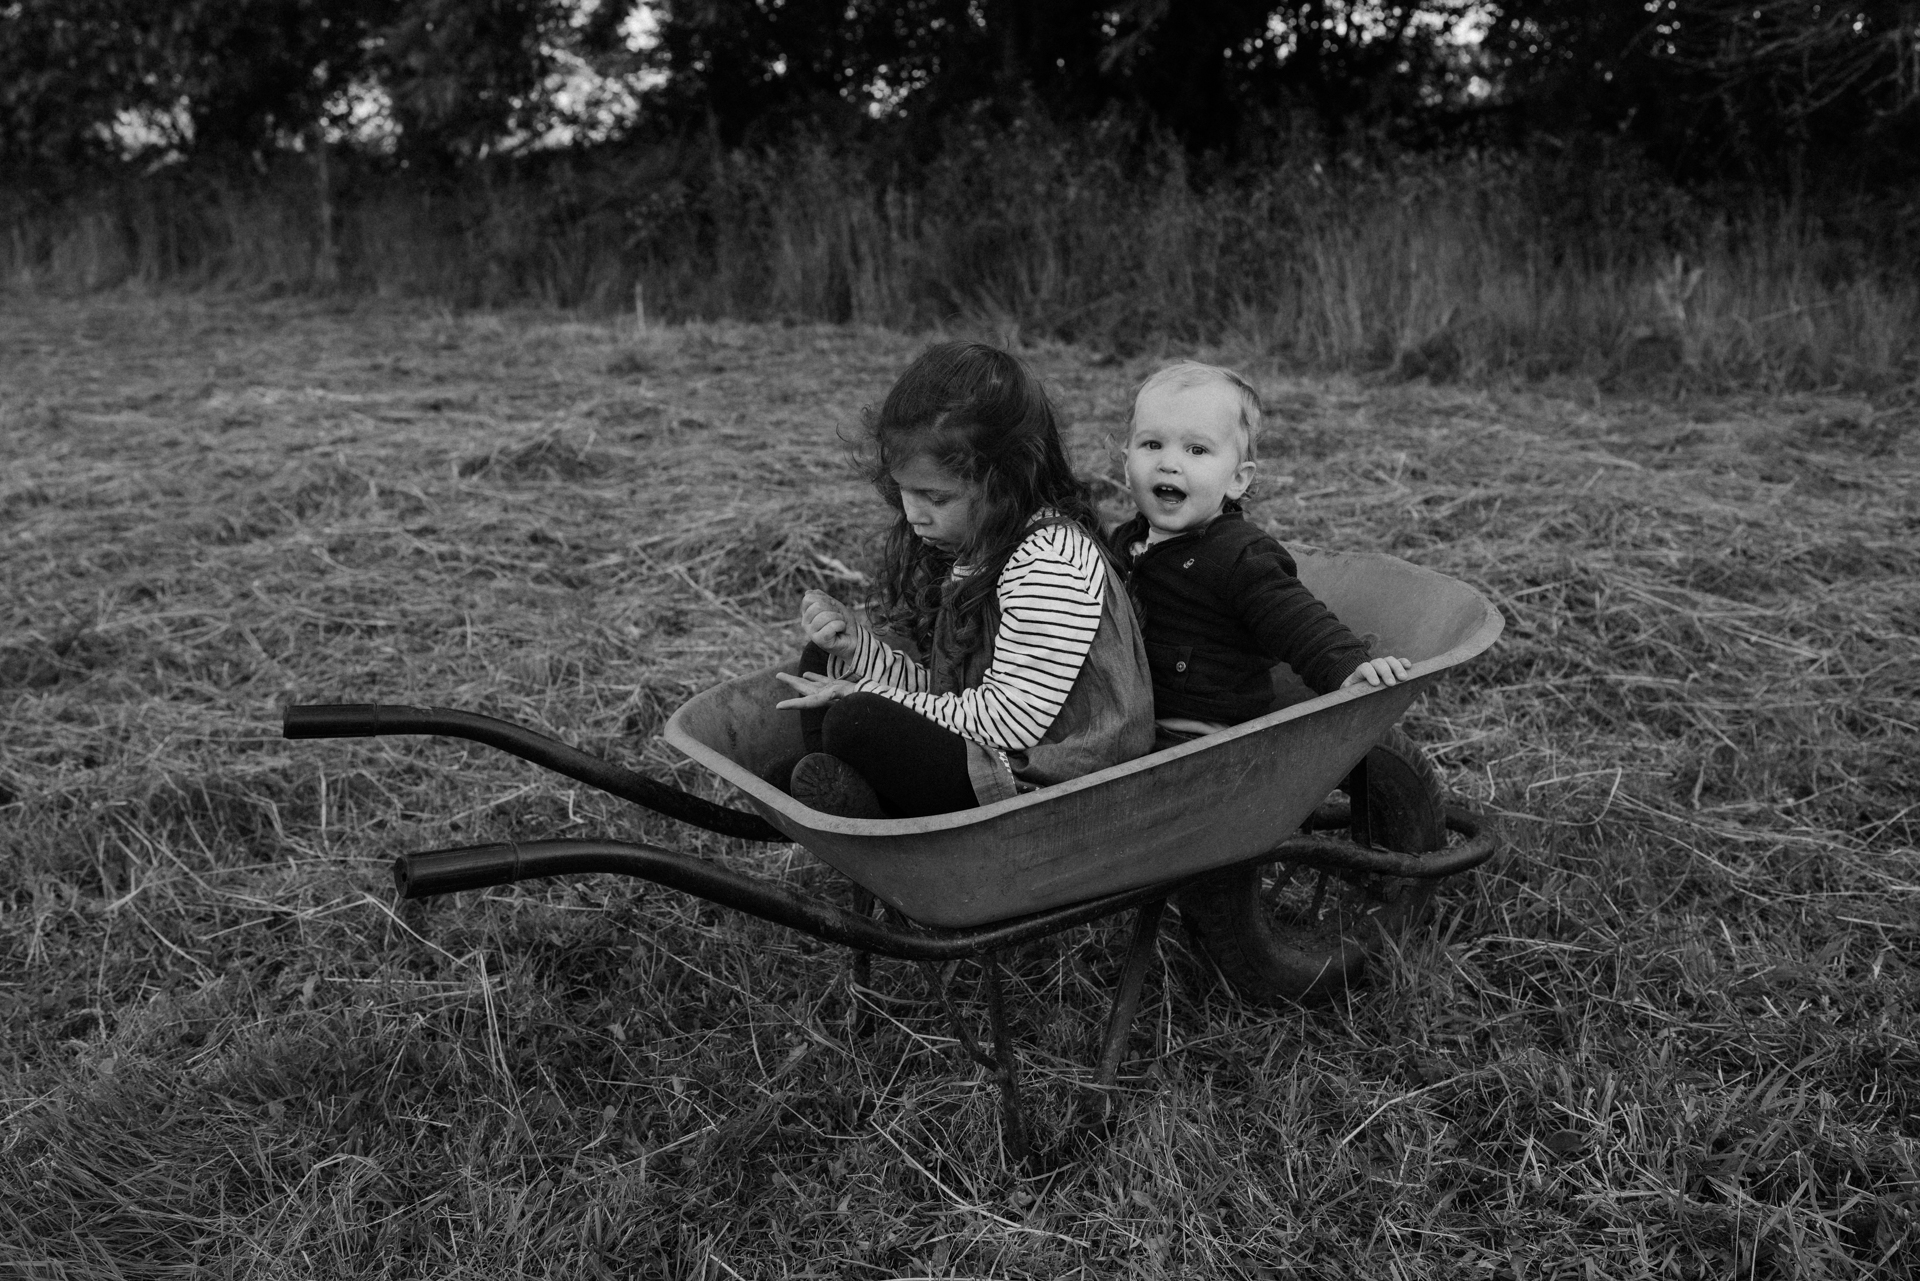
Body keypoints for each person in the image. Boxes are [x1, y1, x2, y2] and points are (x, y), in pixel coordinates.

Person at [772, 341, 1155, 818]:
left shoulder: (1049, 563)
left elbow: (1008, 722)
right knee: (825, 666)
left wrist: (864, 695)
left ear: (1007, 480)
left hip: (1057, 786)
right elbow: (950, 700)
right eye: (903, 491)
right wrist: (858, 654)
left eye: (935, 497)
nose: (913, 514)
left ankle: (879, 806)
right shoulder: (980, 551)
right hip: (994, 753)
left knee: (857, 719)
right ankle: (859, 790)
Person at [1109, 361, 1412, 744]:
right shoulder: (1123, 541)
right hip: (1124, 720)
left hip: (1193, 739)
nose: (1169, 464)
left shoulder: (1239, 555)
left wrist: (1347, 667)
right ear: (1125, 464)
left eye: (1197, 450)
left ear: (1237, 479)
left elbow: (1296, 620)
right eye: (1152, 445)